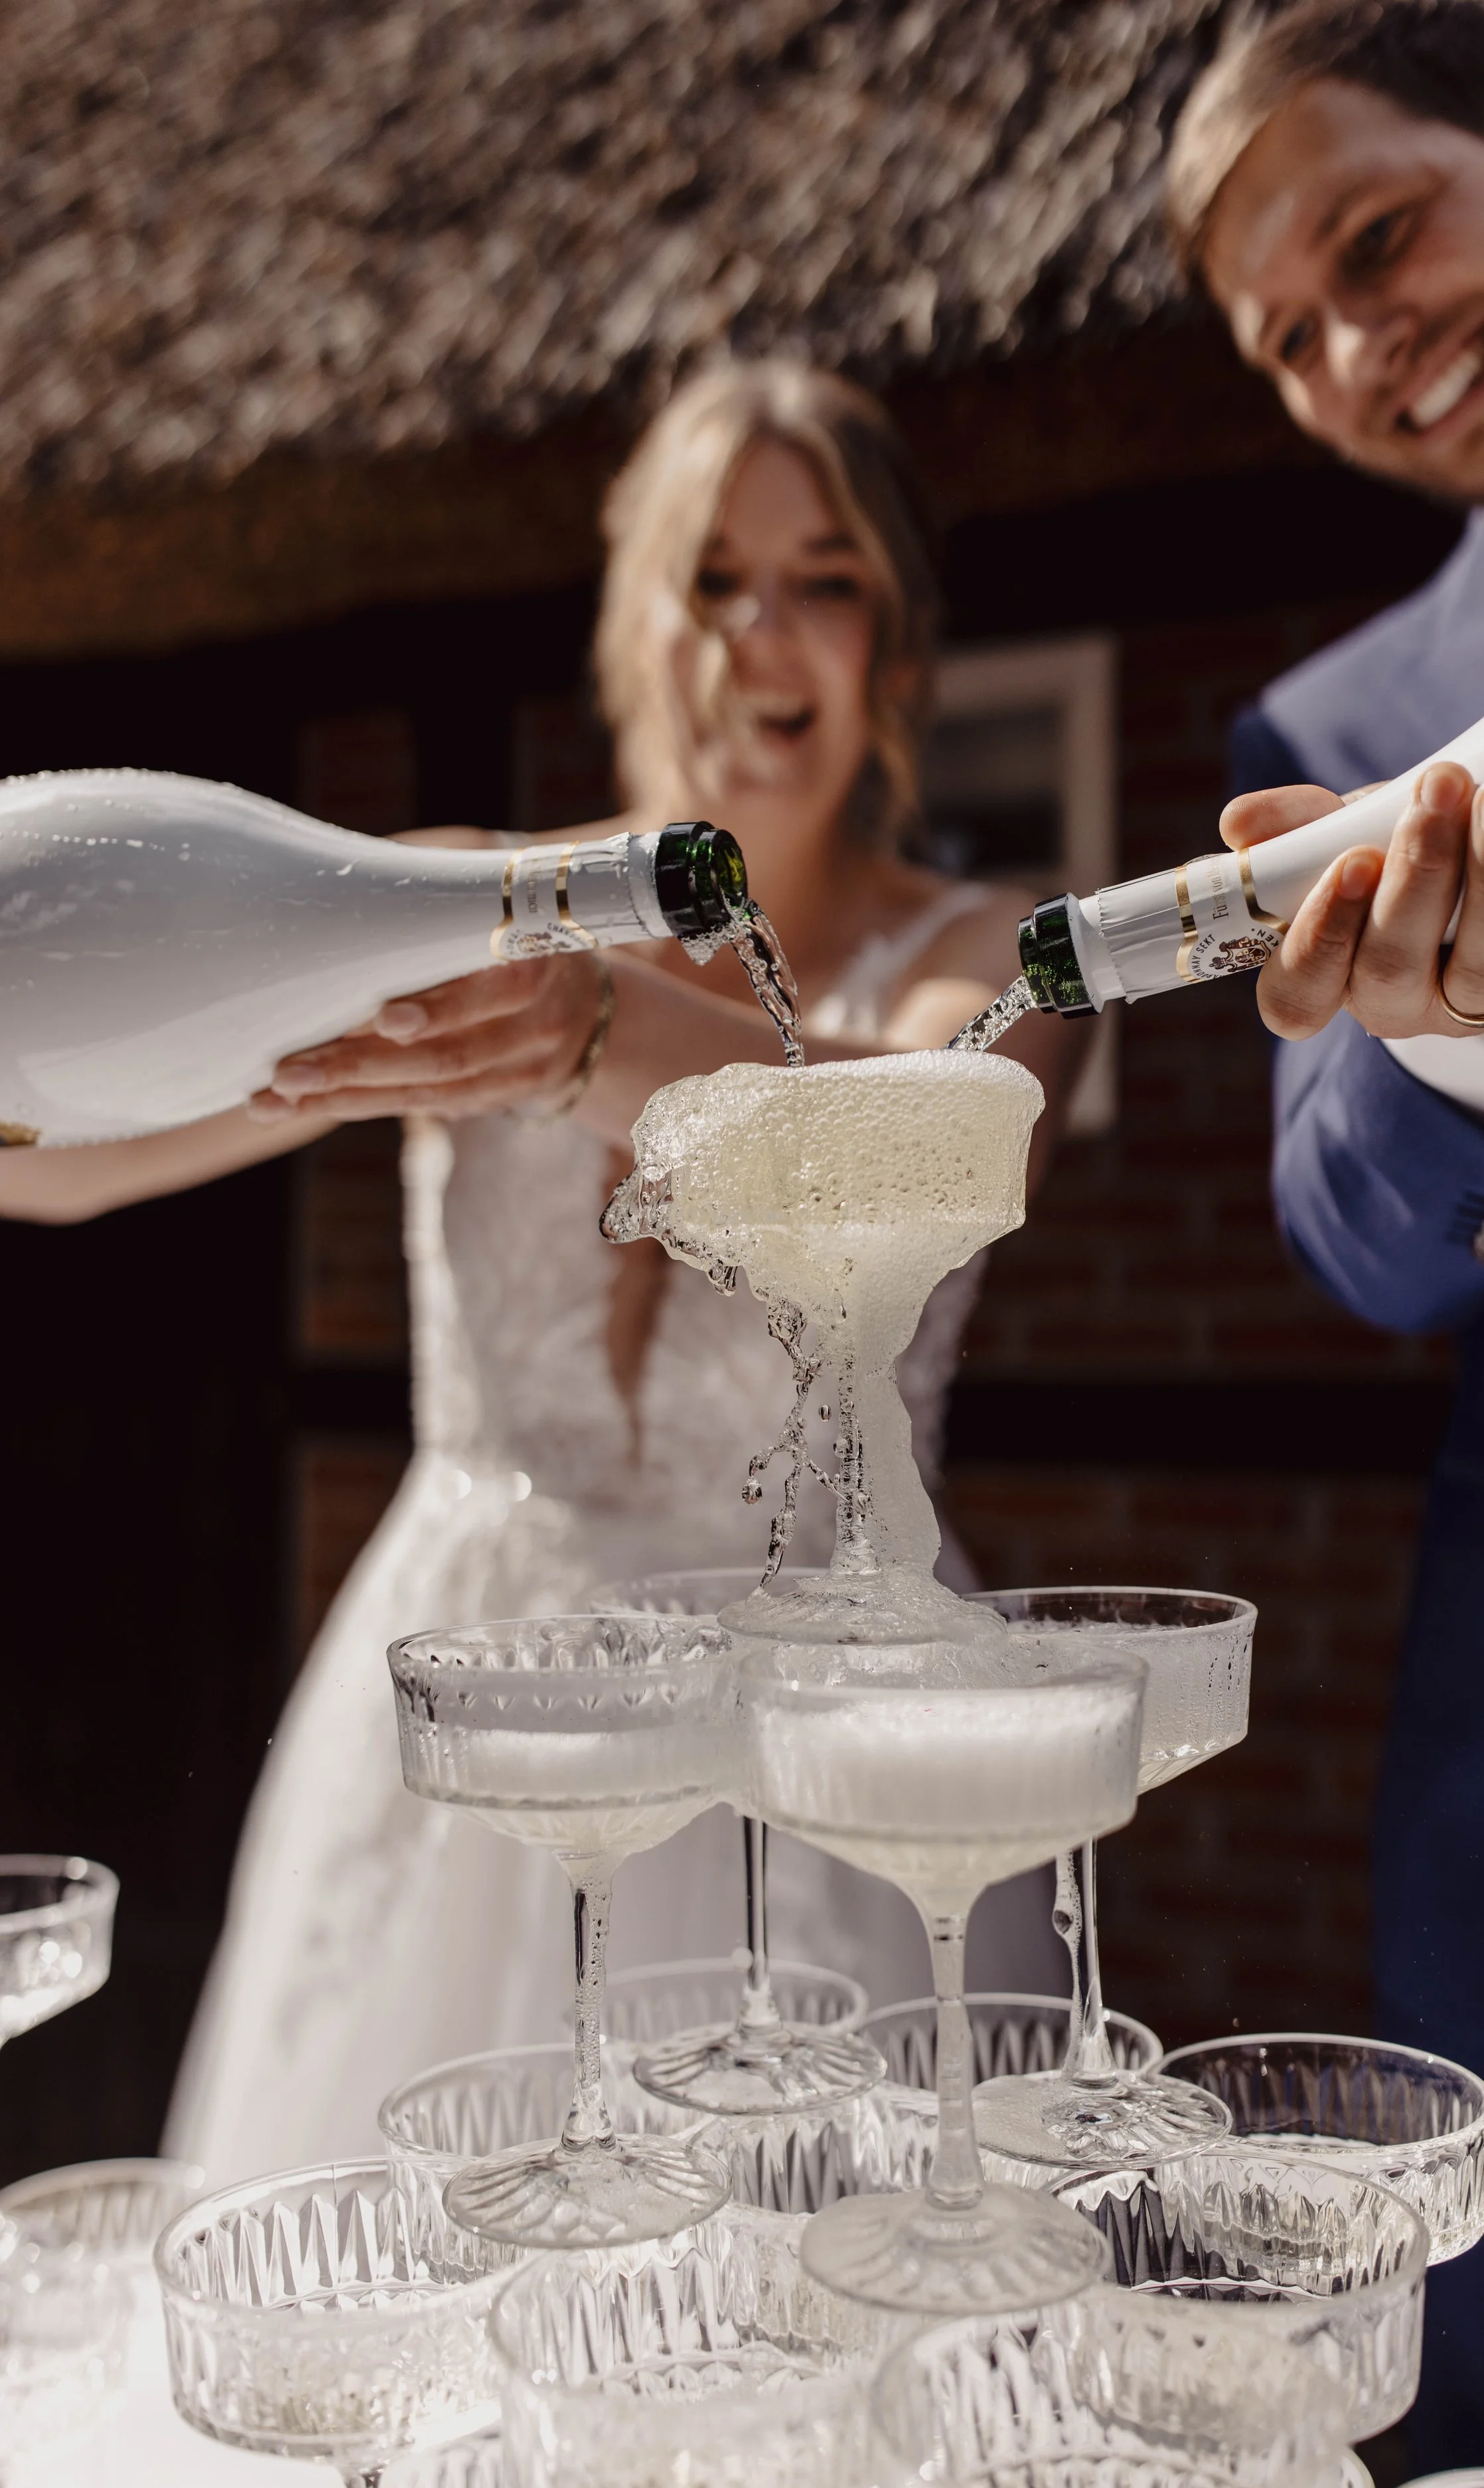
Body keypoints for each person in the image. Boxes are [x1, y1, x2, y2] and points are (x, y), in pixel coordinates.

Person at [0, 361, 1084, 2181]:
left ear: (891, 645)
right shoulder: (460, 900)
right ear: (630, 629)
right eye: (710, 580)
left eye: (823, 579)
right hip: (465, 1700)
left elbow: (927, 1143)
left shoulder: (988, 950)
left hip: (812, 1725)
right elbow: (85, 1159)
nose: (762, 636)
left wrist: (594, 1031)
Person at [1167, 4, 1484, 2471]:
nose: (1357, 344)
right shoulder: (1341, 719)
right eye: (1288, 336)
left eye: (1375, 236)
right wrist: (1475, 1043)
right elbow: (1346, 1236)